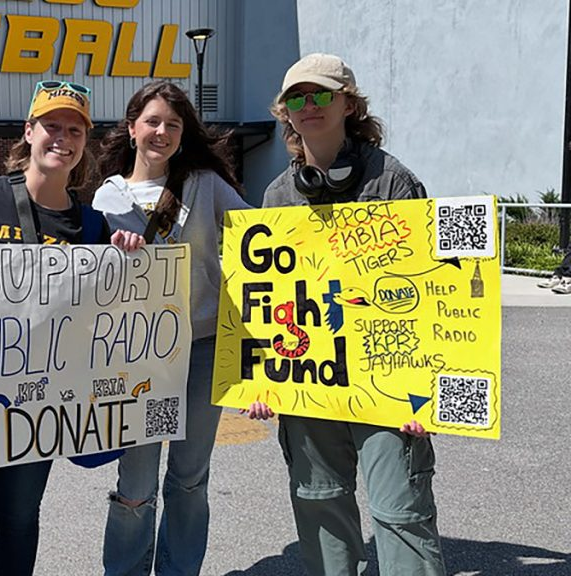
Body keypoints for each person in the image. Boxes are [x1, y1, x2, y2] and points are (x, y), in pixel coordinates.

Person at [0, 80, 143, 576]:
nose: (63, 138)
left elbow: (108, 309)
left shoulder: (93, 225)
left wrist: (126, 257)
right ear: (29, 131)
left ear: (86, 142)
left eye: (75, 129)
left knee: (19, 520)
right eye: (52, 126)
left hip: (39, 402)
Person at [250, 53, 446, 575]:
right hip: (310, 378)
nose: (308, 106)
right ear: (284, 111)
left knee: (399, 509)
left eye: (321, 95)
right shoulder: (277, 196)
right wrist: (264, 380)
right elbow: (269, 298)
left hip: (387, 380)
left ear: (349, 103)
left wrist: (425, 391)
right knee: (319, 499)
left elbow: (431, 292)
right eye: (297, 97)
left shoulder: (394, 181)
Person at [91, 80, 252, 576]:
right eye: (153, 121)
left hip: (203, 347)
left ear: (184, 134)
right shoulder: (104, 197)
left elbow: (256, 235)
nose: (162, 132)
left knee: (189, 479)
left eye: (174, 125)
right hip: (136, 358)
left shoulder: (204, 183)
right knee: (135, 484)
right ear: (132, 126)